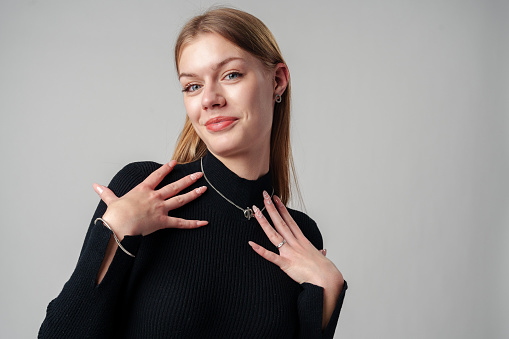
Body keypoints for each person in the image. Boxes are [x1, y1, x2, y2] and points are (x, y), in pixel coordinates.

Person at [39, 7, 347, 339]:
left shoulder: (299, 235)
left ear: (278, 80)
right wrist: (115, 230)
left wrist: (328, 290)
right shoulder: (146, 191)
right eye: (193, 86)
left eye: (231, 75)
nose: (210, 99)